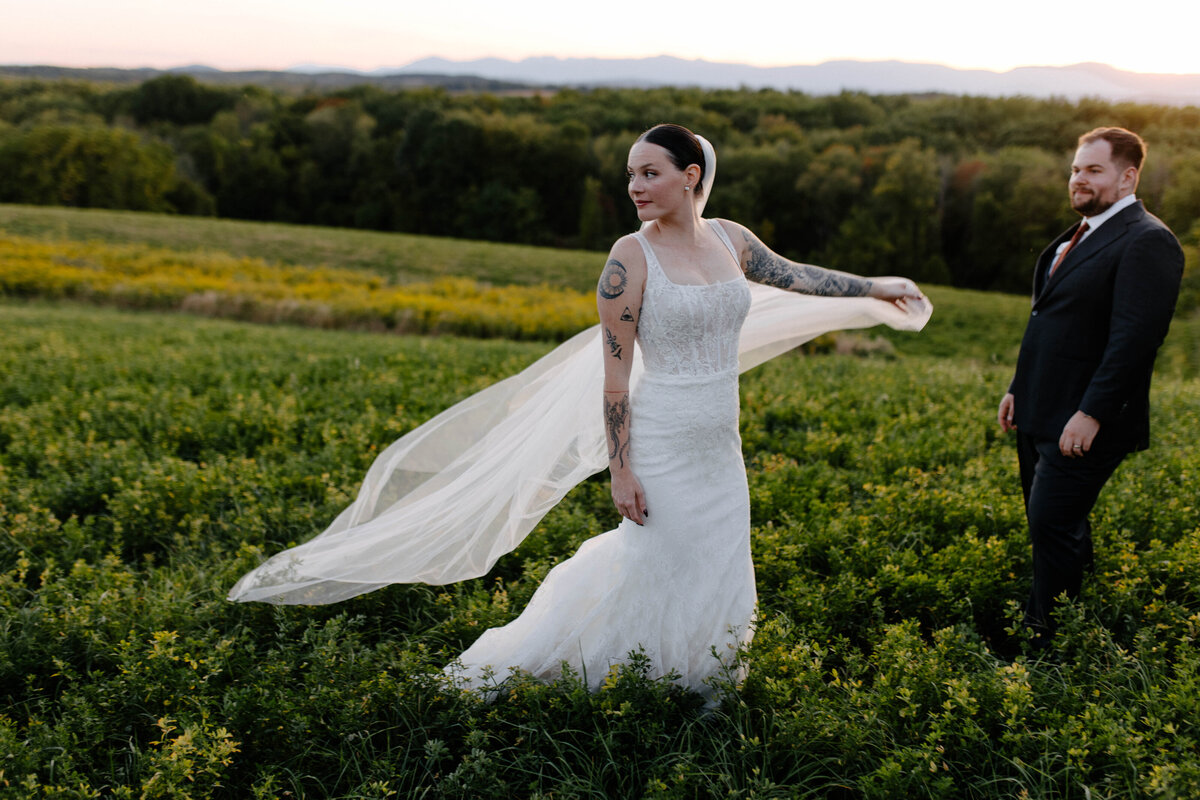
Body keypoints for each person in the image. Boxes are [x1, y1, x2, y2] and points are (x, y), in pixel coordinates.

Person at [228, 124, 930, 701]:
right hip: (659, 438)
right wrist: (621, 472)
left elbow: (798, 278)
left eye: (650, 173)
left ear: (690, 176)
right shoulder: (629, 260)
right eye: (630, 174)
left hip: (721, 443)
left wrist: (876, 286)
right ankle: (617, 677)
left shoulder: (732, 240)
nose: (634, 186)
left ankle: (703, 681)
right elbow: (616, 380)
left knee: (718, 559)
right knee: (655, 559)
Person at [997, 126, 1183, 640]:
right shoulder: (1080, 234)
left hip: (1086, 419)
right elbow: (1051, 322)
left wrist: (1092, 412)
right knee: (1055, 527)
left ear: (1128, 177)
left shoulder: (1149, 241)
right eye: (1076, 169)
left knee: (1052, 524)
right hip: (1041, 407)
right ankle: (1076, 627)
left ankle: (1044, 646)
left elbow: (1134, 340)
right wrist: (1019, 386)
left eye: (1093, 170)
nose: (1078, 179)